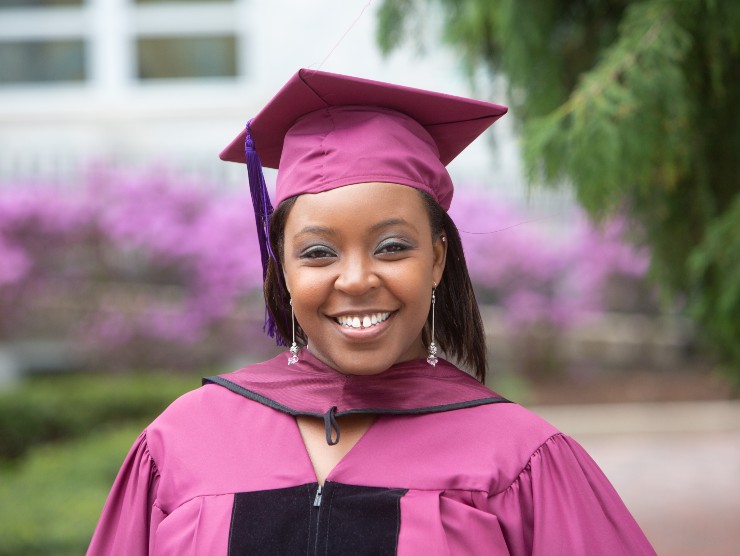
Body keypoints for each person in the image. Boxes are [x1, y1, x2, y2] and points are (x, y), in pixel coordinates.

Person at [88, 68, 656, 555]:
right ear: (280, 271)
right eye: (317, 252)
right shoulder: (182, 442)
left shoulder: (520, 460)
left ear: (436, 260)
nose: (356, 279)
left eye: (391, 247)